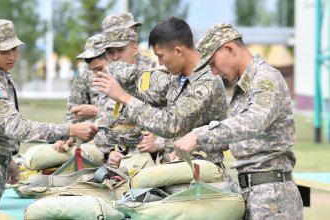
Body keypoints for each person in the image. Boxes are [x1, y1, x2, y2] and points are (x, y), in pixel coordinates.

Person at [0, 19, 98, 219]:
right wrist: (70, 130)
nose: (11, 56)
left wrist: (6, 157)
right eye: (3, 52)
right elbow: (15, 127)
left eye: (14, 49)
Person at [173, 23, 303, 219]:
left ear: (229, 49)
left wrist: (198, 135)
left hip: (273, 196)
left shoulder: (265, 79)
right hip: (254, 192)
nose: (214, 72)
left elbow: (253, 122)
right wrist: (180, 145)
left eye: (213, 63)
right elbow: (232, 135)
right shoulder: (243, 88)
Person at [93, 17, 229, 165]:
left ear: (178, 51)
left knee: (137, 181)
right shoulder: (177, 77)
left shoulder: (207, 82)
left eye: (160, 56)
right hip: (175, 166)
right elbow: (146, 93)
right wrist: (116, 82)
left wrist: (124, 97)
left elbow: (172, 124)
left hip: (200, 170)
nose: (160, 62)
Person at [54, 34, 108, 152]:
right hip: (93, 139)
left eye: (99, 69)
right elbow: (73, 110)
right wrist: (67, 136)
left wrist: (96, 111)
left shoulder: (128, 73)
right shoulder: (85, 71)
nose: (96, 76)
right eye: (93, 70)